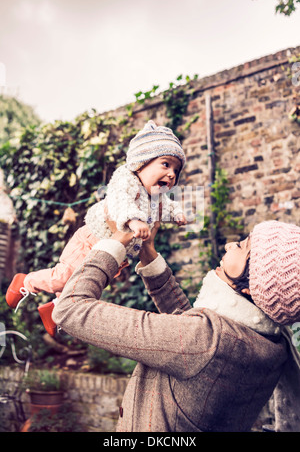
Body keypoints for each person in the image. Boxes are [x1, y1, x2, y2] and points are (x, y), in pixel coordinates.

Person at [51, 218, 300, 432]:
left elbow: (71, 308)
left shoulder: (204, 341)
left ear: (251, 285)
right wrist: (148, 254)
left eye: (243, 246)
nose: (229, 245)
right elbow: (190, 338)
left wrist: (115, 242)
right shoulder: (272, 345)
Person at [5, 121, 186, 336]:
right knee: (63, 277)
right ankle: (26, 281)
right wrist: (134, 221)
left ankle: (54, 309)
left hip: (116, 253)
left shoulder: (154, 196)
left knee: (87, 285)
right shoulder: (126, 179)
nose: (172, 174)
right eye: (166, 164)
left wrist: (176, 214)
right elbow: (120, 201)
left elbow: (165, 206)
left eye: (176, 169)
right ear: (141, 163)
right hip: (92, 239)